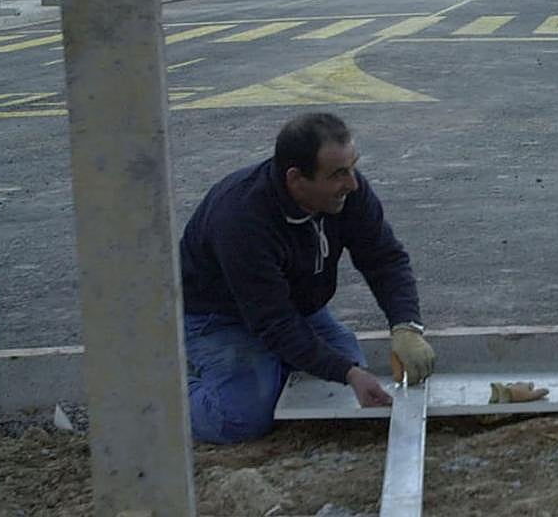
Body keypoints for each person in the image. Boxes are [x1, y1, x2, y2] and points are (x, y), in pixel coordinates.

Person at [180, 112, 435, 443]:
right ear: (296, 179)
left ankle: (270, 369)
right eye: (338, 174)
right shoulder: (241, 220)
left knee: (337, 390)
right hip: (219, 318)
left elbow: (384, 259)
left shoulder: (347, 193)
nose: (353, 183)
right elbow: (273, 322)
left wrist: (406, 326)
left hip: (295, 308)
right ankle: (169, 386)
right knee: (241, 418)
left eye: (353, 167)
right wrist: (346, 372)